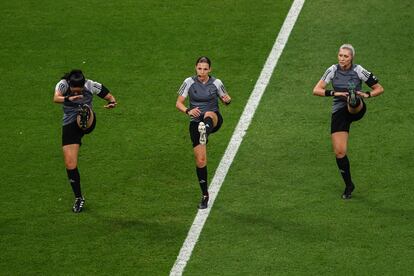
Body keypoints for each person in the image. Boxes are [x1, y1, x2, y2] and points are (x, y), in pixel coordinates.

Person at [313, 44, 384, 199]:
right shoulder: (332, 70)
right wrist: (335, 93)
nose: (342, 59)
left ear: (352, 58)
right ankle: (349, 185)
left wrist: (366, 95)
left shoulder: (359, 70)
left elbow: (379, 88)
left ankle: (352, 98)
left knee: (352, 102)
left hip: (357, 108)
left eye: (346, 56)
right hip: (339, 110)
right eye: (340, 55)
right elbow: (316, 90)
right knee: (339, 152)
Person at [53, 69, 117, 212]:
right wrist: (68, 99)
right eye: (74, 90)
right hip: (70, 124)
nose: (76, 93)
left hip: (88, 120)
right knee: (70, 163)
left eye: (79, 90)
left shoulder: (90, 85)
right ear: (69, 84)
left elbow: (110, 97)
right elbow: (55, 98)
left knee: (84, 110)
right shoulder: (63, 85)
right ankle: (79, 197)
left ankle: (84, 114)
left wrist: (112, 102)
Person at [176, 57, 232, 209]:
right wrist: (188, 110)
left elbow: (225, 100)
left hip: (213, 118)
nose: (202, 71)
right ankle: (205, 195)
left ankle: (205, 131)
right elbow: (178, 103)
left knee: (208, 113)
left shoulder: (216, 83)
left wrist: (227, 100)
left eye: (205, 69)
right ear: (196, 68)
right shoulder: (188, 82)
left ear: (210, 70)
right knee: (200, 160)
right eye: (199, 68)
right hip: (195, 120)